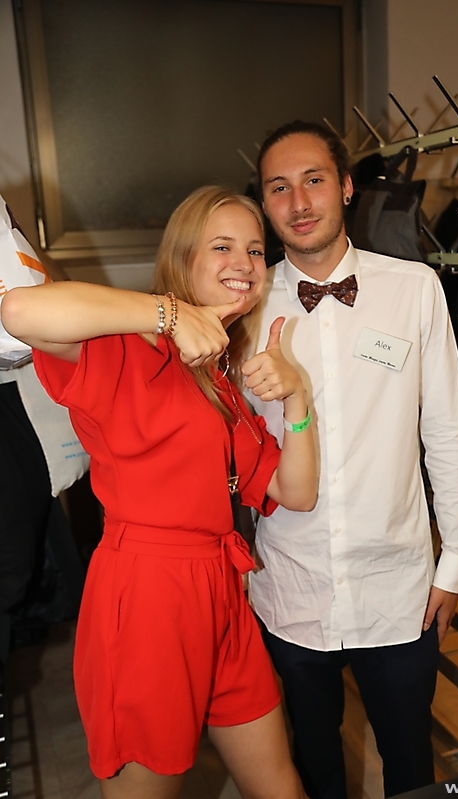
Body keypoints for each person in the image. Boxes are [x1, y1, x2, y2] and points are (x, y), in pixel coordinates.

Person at [1, 185, 317, 799]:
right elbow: (18, 310)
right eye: (222, 246)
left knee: (282, 788)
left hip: (223, 593)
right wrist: (166, 314)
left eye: (255, 250)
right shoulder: (128, 344)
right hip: (148, 596)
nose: (245, 262)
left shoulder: (220, 382)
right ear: (182, 259)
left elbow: (294, 490)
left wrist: (297, 398)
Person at [246, 121, 458, 799]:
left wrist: (456, 559)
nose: (299, 202)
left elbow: (448, 430)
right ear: (263, 203)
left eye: (314, 180)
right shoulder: (243, 303)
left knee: (410, 765)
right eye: (279, 187)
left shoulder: (414, 289)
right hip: (289, 587)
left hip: (397, 589)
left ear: (347, 186)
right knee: (313, 766)